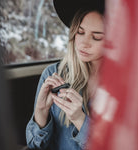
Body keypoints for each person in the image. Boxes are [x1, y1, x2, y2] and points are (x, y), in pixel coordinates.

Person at [26, 0, 105, 149]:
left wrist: (80, 120)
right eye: (80, 32)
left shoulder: (124, 88)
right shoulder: (53, 74)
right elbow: (35, 146)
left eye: (96, 37)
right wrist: (41, 113)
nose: (83, 43)